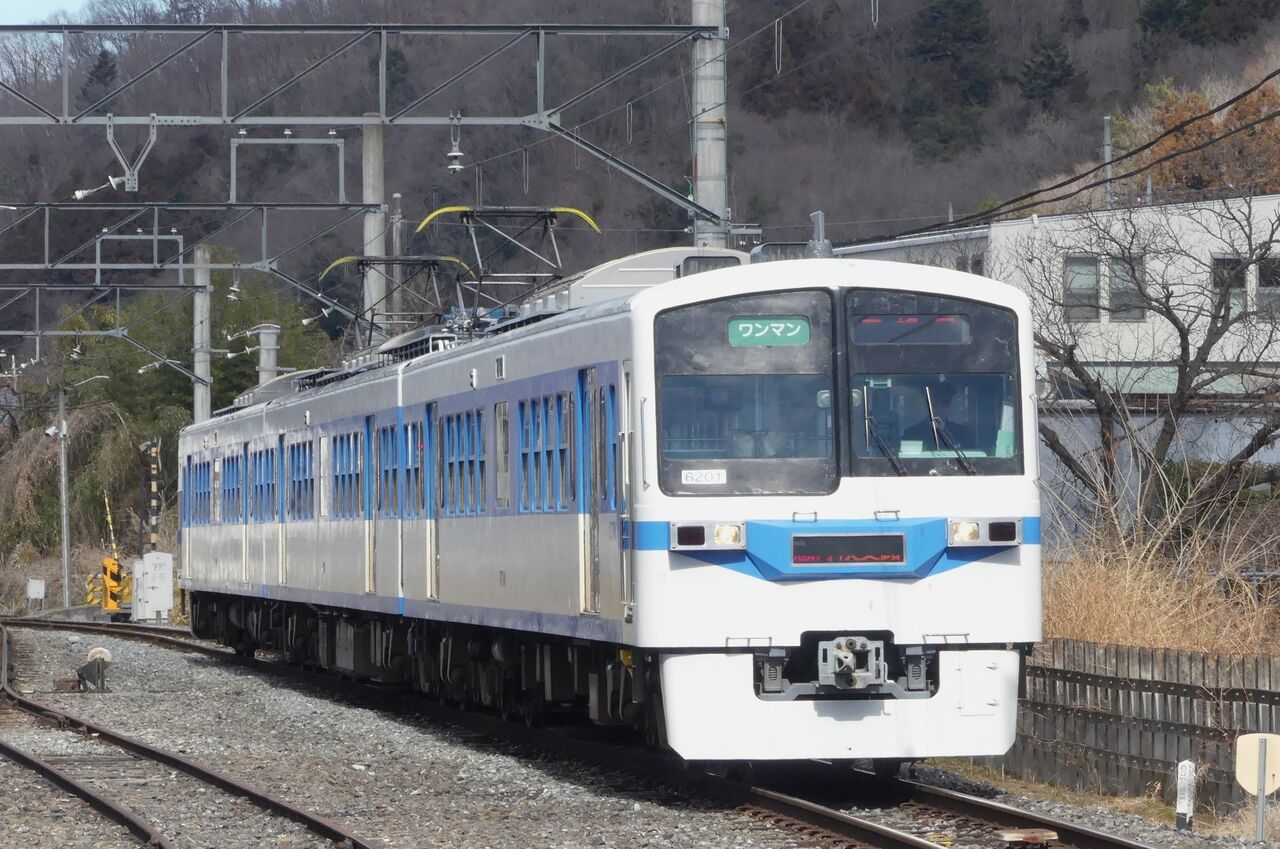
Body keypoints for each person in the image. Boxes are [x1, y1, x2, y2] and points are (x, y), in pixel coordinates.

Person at [903, 382, 974, 449]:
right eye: (934, 405)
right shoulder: (911, 434)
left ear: (950, 406)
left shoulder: (963, 434)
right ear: (926, 406)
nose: (939, 410)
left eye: (945, 404)